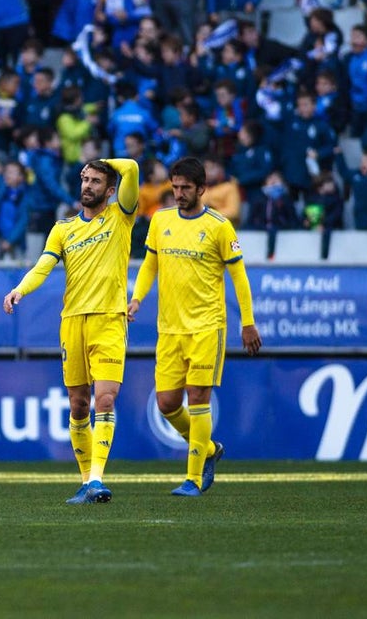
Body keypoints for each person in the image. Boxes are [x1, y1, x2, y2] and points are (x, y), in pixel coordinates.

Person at [2, 157, 139, 504]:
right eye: (85, 179)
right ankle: (85, 482)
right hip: (72, 322)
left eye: (96, 181)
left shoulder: (121, 217)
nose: (87, 186)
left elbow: (133, 168)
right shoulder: (63, 229)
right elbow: (43, 266)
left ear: (110, 190)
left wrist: (105, 162)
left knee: (105, 398)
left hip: (109, 319)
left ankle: (97, 479)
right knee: (78, 404)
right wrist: (20, 289)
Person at [127, 157, 260, 496]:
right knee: (167, 403)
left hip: (206, 326)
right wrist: (137, 298)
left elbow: (239, 277)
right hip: (169, 328)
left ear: (202, 189)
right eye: (175, 187)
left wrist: (248, 323)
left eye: (186, 188)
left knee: (198, 397)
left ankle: (194, 477)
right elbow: (149, 266)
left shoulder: (219, 226)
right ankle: (210, 449)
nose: (180, 193)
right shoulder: (160, 220)